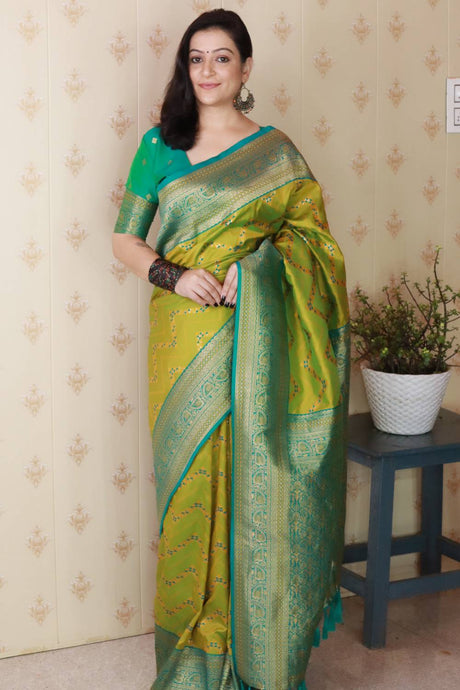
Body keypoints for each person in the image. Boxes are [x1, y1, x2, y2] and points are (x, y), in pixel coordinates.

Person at [113, 9, 349, 690]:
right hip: (183, 340)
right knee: (189, 490)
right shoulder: (161, 144)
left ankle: (258, 655)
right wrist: (175, 275)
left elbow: (316, 246)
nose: (208, 71)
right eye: (196, 58)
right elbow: (124, 239)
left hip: (259, 341)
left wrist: (256, 275)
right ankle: (193, 662)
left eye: (222, 57)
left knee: (256, 482)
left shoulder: (277, 154)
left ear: (246, 68)